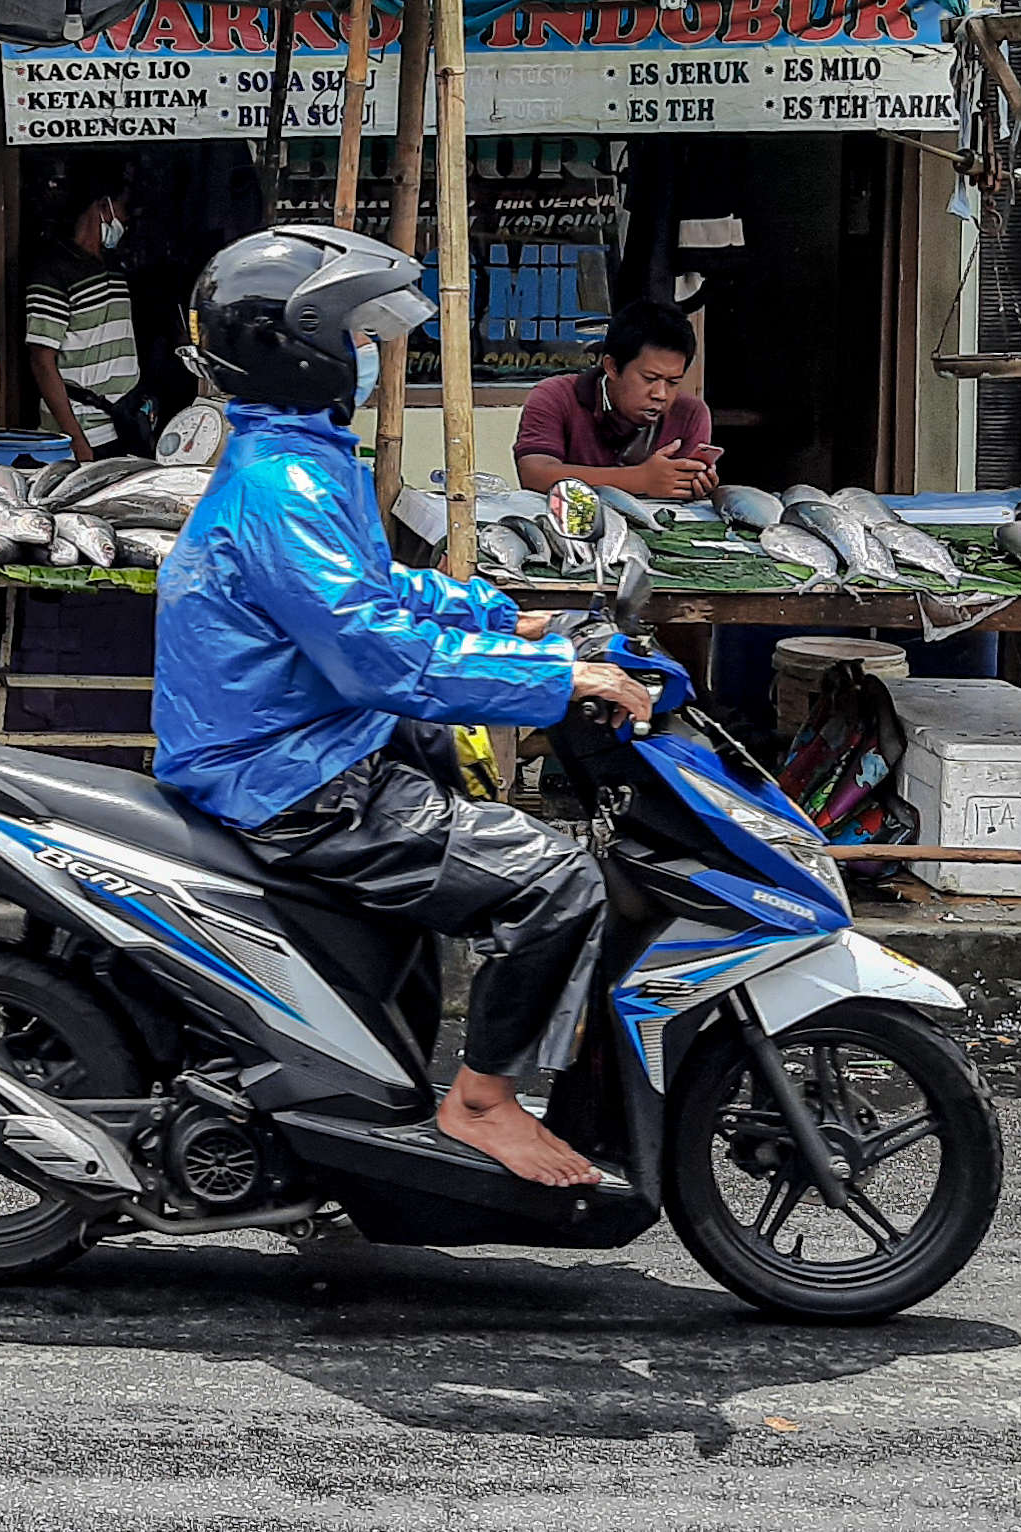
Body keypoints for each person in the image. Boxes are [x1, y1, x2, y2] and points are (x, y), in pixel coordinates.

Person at [154, 225, 651, 1189]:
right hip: (296, 781)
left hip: (310, 752)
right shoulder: (282, 484)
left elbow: (376, 595)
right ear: (300, 350)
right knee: (553, 884)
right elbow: (378, 655)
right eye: (350, 340)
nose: (367, 362)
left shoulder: (298, 462)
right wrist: (556, 681)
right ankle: (480, 1103)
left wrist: (504, 614)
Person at [513, 300, 716, 502]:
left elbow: (685, 493)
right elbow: (535, 475)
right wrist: (639, 479)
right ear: (612, 367)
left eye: (673, 382)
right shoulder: (555, 397)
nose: (661, 394)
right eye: (649, 379)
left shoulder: (690, 413)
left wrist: (697, 484)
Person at [24, 167, 142, 461]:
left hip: (120, 426)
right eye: (123, 208)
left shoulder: (113, 265)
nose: (125, 219)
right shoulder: (52, 272)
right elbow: (41, 360)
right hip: (84, 433)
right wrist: (76, 440)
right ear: (103, 207)